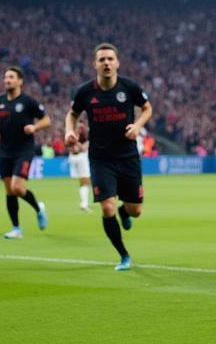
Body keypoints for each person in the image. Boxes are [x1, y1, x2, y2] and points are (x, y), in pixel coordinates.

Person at [65, 43, 153, 271]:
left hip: (128, 157)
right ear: (95, 64)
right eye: (102, 59)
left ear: (117, 63)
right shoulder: (85, 91)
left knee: (136, 210)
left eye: (110, 59)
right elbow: (72, 114)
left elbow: (147, 108)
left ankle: (125, 212)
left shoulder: (129, 87)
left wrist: (138, 126)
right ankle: (124, 255)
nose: (106, 63)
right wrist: (69, 130)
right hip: (100, 158)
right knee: (106, 208)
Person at [0, 66, 50, 239]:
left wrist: (34, 127)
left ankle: (38, 208)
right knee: (9, 190)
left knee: (17, 187)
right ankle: (16, 228)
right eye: (6, 77)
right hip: (5, 150)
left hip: (24, 150)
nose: (7, 80)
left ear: (20, 81)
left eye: (11, 77)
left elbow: (46, 120)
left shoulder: (28, 101)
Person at [68, 126, 91, 212]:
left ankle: (84, 203)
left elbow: (82, 148)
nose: (80, 129)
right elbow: (78, 149)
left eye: (81, 127)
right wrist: (75, 142)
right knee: (85, 181)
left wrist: (76, 142)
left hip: (77, 158)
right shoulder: (71, 137)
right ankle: (84, 204)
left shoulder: (84, 139)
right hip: (79, 158)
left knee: (84, 182)